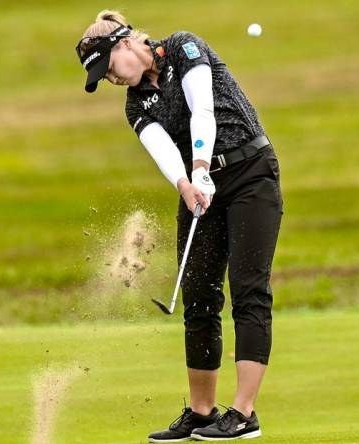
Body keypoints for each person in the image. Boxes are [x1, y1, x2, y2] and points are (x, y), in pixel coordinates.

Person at [76, 10, 283, 442]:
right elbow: (163, 149)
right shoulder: (135, 103)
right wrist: (187, 183)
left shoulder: (184, 47)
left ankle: (244, 414)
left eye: (109, 67)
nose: (111, 78)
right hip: (201, 189)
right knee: (199, 295)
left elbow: (201, 108)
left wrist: (202, 166)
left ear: (126, 44)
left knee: (248, 289)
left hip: (250, 173)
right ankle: (203, 413)